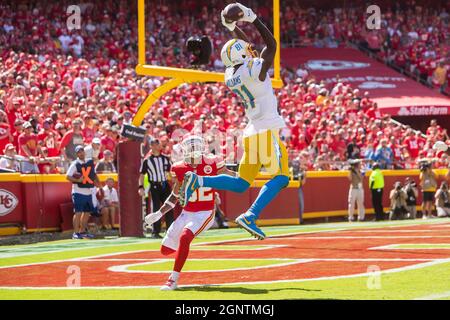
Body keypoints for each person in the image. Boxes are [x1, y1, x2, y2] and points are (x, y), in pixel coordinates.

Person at [179, 3, 289, 240]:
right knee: (281, 177)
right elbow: (272, 45)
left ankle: (199, 180)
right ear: (241, 54)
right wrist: (253, 18)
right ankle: (250, 215)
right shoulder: (255, 68)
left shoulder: (231, 74)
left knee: (241, 183)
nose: (251, 51)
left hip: (251, 131)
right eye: (246, 50)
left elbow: (244, 49)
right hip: (266, 128)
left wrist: (232, 27)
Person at [143, 135, 235, 290]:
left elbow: (227, 173)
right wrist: (159, 213)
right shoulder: (178, 167)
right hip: (187, 212)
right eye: (190, 147)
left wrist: (243, 178)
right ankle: (180, 254)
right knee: (165, 250)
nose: (192, 150)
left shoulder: (212, 162)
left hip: (205, 212)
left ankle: (173, 280)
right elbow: (175, 195)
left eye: (195, 146)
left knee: (185, 238)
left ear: (202, 148)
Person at [138, 138, 174, 238]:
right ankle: (155, 231)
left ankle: (170, 230)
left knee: (169, 207)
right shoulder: (147, 160)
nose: (158, 146)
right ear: (152, 146)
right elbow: (141, 175)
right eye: (156, 144)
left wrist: (175, 182)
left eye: (158, 144)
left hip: (165, 185)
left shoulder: (165, 158)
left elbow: (171, 171)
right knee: (156, 208)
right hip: (154, 186)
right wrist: (140, 187)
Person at [66, 145, 101, 239]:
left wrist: (98, 182)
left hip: (88, 190)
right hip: (78, 191)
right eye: (79, 152)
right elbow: (68, 176)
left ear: (84, 152)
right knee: (78, 212)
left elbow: (93, 173)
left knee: (86, 213)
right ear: (76, 154)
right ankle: (76, 233)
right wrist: (78, 181)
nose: (81, 153)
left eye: (82, 151)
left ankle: (82, 231)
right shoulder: (75, 164)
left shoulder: (89, 162)